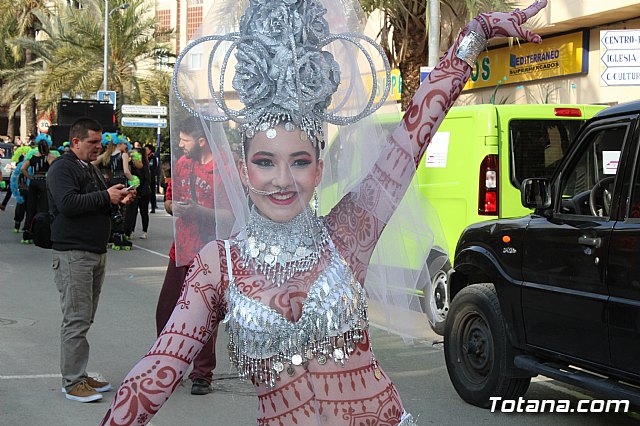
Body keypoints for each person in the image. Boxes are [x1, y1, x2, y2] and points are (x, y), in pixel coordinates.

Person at [101, 0, 547, 424]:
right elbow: (158, 369)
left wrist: (473, 37)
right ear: (243, 168)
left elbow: (412, 135)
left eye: (299, 161)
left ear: (318, 169)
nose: (282, 180)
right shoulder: (219, 267)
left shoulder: (350, 233)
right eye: (265, 162)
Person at [47, 118, 135, 403]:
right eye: (93, 142)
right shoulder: (63, 167)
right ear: (75, 142)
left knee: (85, 317)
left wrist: (116, 198)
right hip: (74, 254)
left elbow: (96, 201)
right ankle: (72, 382)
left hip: (94, 252)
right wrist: (104, 196)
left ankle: (80, 375)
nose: (99, 147)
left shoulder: (89, 169)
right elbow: (68, 204)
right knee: (76, 318)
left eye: (100, 142)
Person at [154, 118, 222, 395]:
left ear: (202, 142)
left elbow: (233, 217)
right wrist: (174, 207)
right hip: (180, 250)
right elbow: (169, 201)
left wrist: (198, 211)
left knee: (204, 315)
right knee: (166, 310)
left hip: (208, 255)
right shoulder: (181, 164)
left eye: (184, 140)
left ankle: (202, 374)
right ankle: (168, 365)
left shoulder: (224, 170)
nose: (180, 145)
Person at [20, 134, 58, 243]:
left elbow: (23, 168)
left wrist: (30, 177)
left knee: (31, 206)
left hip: (33, 182)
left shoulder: (32, 157)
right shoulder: (49, 157)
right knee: (43, 207)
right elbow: (54, 167)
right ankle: (40, 232)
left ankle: (27, 233)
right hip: (44, 182)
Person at [124, 147, 151, 239]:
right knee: (133, 212)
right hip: (135, 190)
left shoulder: (144, 166)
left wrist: (142, 193)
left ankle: (145, 231)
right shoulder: (132, 164)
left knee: (144, 212)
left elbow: (147, 180)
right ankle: (131, 230)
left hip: (144, 192)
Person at [144, 144, 158, 213]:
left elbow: (154, 167)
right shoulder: (143, 157)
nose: (145, 151)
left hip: (151, 177)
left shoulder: (152, 157)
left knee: (152, 192)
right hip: (145, 177)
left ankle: (153, 207)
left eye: (146, 149)